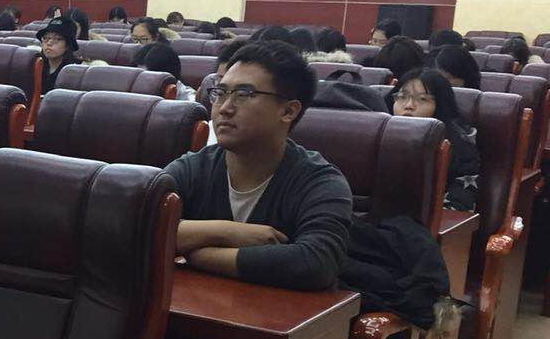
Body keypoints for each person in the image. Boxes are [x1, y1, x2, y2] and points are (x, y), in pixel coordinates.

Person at [164, 40, 352, 291]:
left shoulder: (319, 181)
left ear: (288, 111)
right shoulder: (194, 167)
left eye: (244, 94)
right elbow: (135, 226)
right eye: (220, 93)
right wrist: (225, 231)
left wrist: (198, 254)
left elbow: (316, 263)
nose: (224, 108)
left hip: (279, 314)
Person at [388, 67, 479, 211]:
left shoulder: (461, 150)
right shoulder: (379, 140)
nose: (409, 106)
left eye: (422, 99)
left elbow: (459, 205)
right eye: (402, 97)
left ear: (440, 106)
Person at [38, 19, 78, 92]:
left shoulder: (76, 71)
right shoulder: (35, 64)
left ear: (68, 45)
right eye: (45, 38)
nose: (49, 43)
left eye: (57, 39)